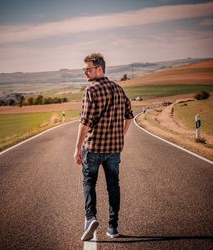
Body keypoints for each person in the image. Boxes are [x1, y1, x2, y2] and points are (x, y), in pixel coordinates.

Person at [74, 53, 134, 241]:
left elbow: (84, 122)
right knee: (113, 186)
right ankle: (113, 228)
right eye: (84, 69)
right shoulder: (118, 89)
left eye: (88, 69)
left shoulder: (90, 90)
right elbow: (129, 116)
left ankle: (91, 218)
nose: (85, 73)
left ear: (100, 69)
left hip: (93, 147)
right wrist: (121, 135)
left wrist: (77, 148)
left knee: (89, 183)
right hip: (114, 149)